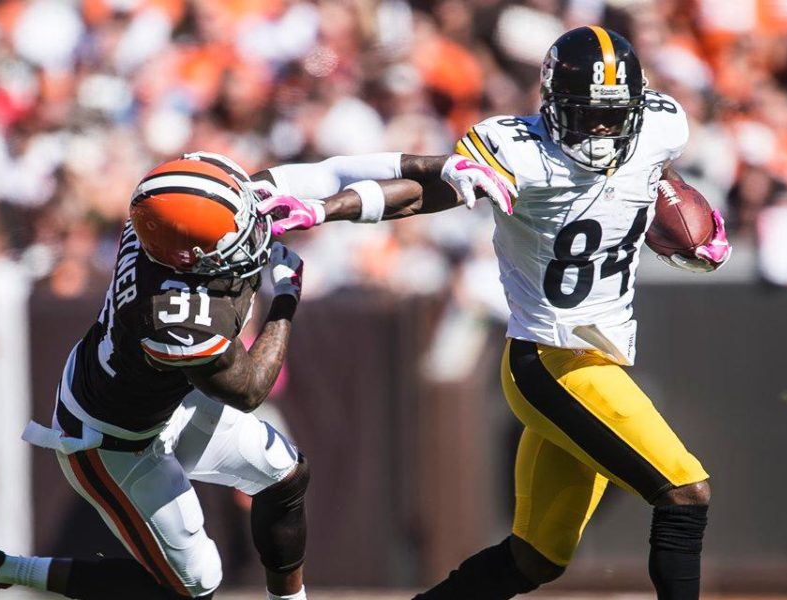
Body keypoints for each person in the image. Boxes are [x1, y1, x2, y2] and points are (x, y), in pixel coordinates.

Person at [267, 26, 730, 600]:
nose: (603, 131)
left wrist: (685, 212)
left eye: (614, 116)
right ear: (555, 107)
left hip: (601, 361)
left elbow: (654, 170)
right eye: (588, 116)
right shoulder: (520, 152)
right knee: (684, 491)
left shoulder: (660, 126)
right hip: (550, 360)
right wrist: (326, 208)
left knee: (535, 559)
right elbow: (422, 193)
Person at [0, 150, 513, 600]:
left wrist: (445, 166)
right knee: (192, 588)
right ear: (191, 260)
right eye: (236, 241)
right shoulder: (171, 315)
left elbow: (333, 169)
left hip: (160, 399)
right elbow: (249, 387)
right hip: (112, 441)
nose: (255, 239)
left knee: (285, 475)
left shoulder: (190, 217)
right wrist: (287, 297)